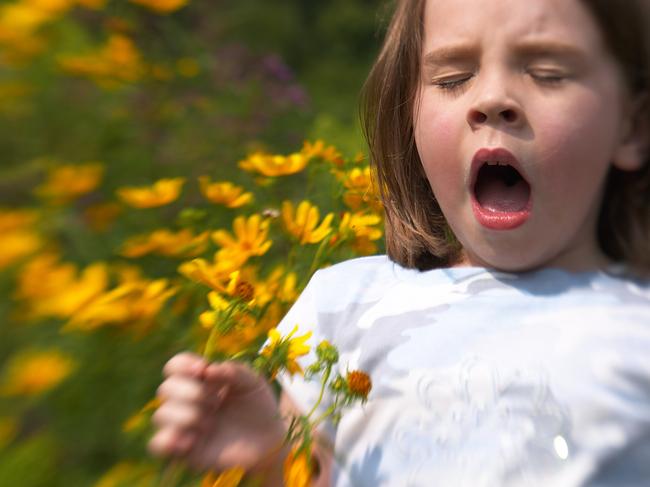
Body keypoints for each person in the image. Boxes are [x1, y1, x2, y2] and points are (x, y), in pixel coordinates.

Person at [148, 0, 650, 485]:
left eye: (547, 73)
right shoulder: (346, 305)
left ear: (633, 126)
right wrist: (269, 462)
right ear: (408, 114)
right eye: (452, 78)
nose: (491, 99)